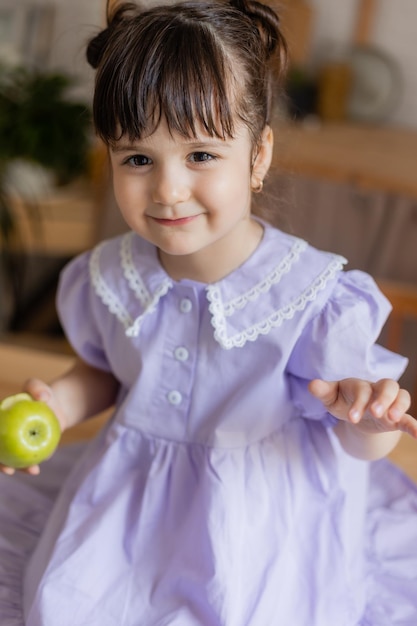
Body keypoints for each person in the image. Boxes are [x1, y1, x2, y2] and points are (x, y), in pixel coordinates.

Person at [0, 1, 416, 624]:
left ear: (258, 156)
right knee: (64, 605)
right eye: (138, 158)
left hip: (259, 520)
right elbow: (112, 371)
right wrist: (57, 405)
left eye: (200, 155)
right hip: (132, 501)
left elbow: (364, 446)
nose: (167, 189)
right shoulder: (111, 273)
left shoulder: (309, 296)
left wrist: (370, 413)